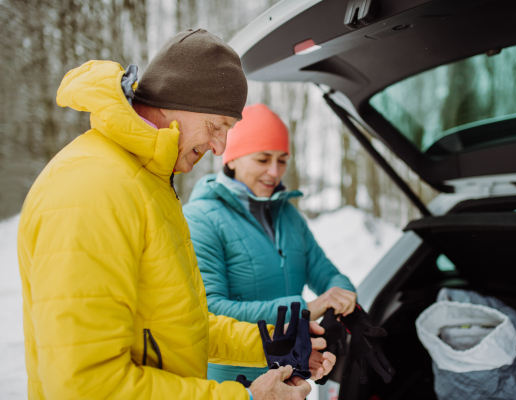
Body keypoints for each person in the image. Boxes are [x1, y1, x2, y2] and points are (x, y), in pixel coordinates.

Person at [17, 29, 334, 400]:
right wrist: (247, 398)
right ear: (175, 100)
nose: (219, 148)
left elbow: (179, 327)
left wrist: (276, 345)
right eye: (216, 127)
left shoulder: (147, 183)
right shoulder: (93, 191)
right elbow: (86, 386)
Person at [183, 103, 356, 383]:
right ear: (232, 159)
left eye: (282, 160)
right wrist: (304, 310)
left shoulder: (289, 216)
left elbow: (328, 275)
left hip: (290, 376)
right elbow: (211, 309)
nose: (275, 172)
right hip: (233, 383)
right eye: (263, 160)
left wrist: (341, 310)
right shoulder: (201, 219)